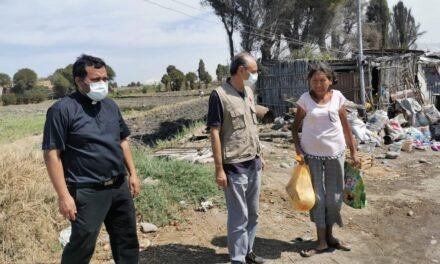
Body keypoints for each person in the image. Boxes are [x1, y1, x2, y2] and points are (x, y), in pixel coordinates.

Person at [42, 54, 140, 263]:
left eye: (105, 78)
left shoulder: (111, 106)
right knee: (82, 243)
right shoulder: (62, 110)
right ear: (78, 81)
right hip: (86, 189)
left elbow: (122, 141)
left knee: (127, 240)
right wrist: (63, 196)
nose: (102, 84)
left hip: (118, 186)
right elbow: (52, 155)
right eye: (95, 80)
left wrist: (133, 173)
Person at [291, 62, 360, 257]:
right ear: (309, 81)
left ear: (330, 81)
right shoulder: (305, 100)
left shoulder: (337, 97)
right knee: (317, 197)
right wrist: (298, 149)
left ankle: (330, 237)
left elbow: (347, 127)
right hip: (310, 156)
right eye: (315, 80)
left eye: (323, 80)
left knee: (335, 195)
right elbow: (295, 128)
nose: (319, 84)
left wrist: (353, 151)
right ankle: (320, 241)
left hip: (335, 154)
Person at [207, 52, 266, 264]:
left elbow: (252, 127)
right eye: (254, 71)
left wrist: (260, 154)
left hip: (253, 161)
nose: (255, 75)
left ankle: (248, 251)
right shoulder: (219, 95)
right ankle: (238, 259)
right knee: (238, 217)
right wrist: (219, 169)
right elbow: (215, 132)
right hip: (234, 166)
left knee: (253, 214)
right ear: (241, 70)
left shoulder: (248, 91)